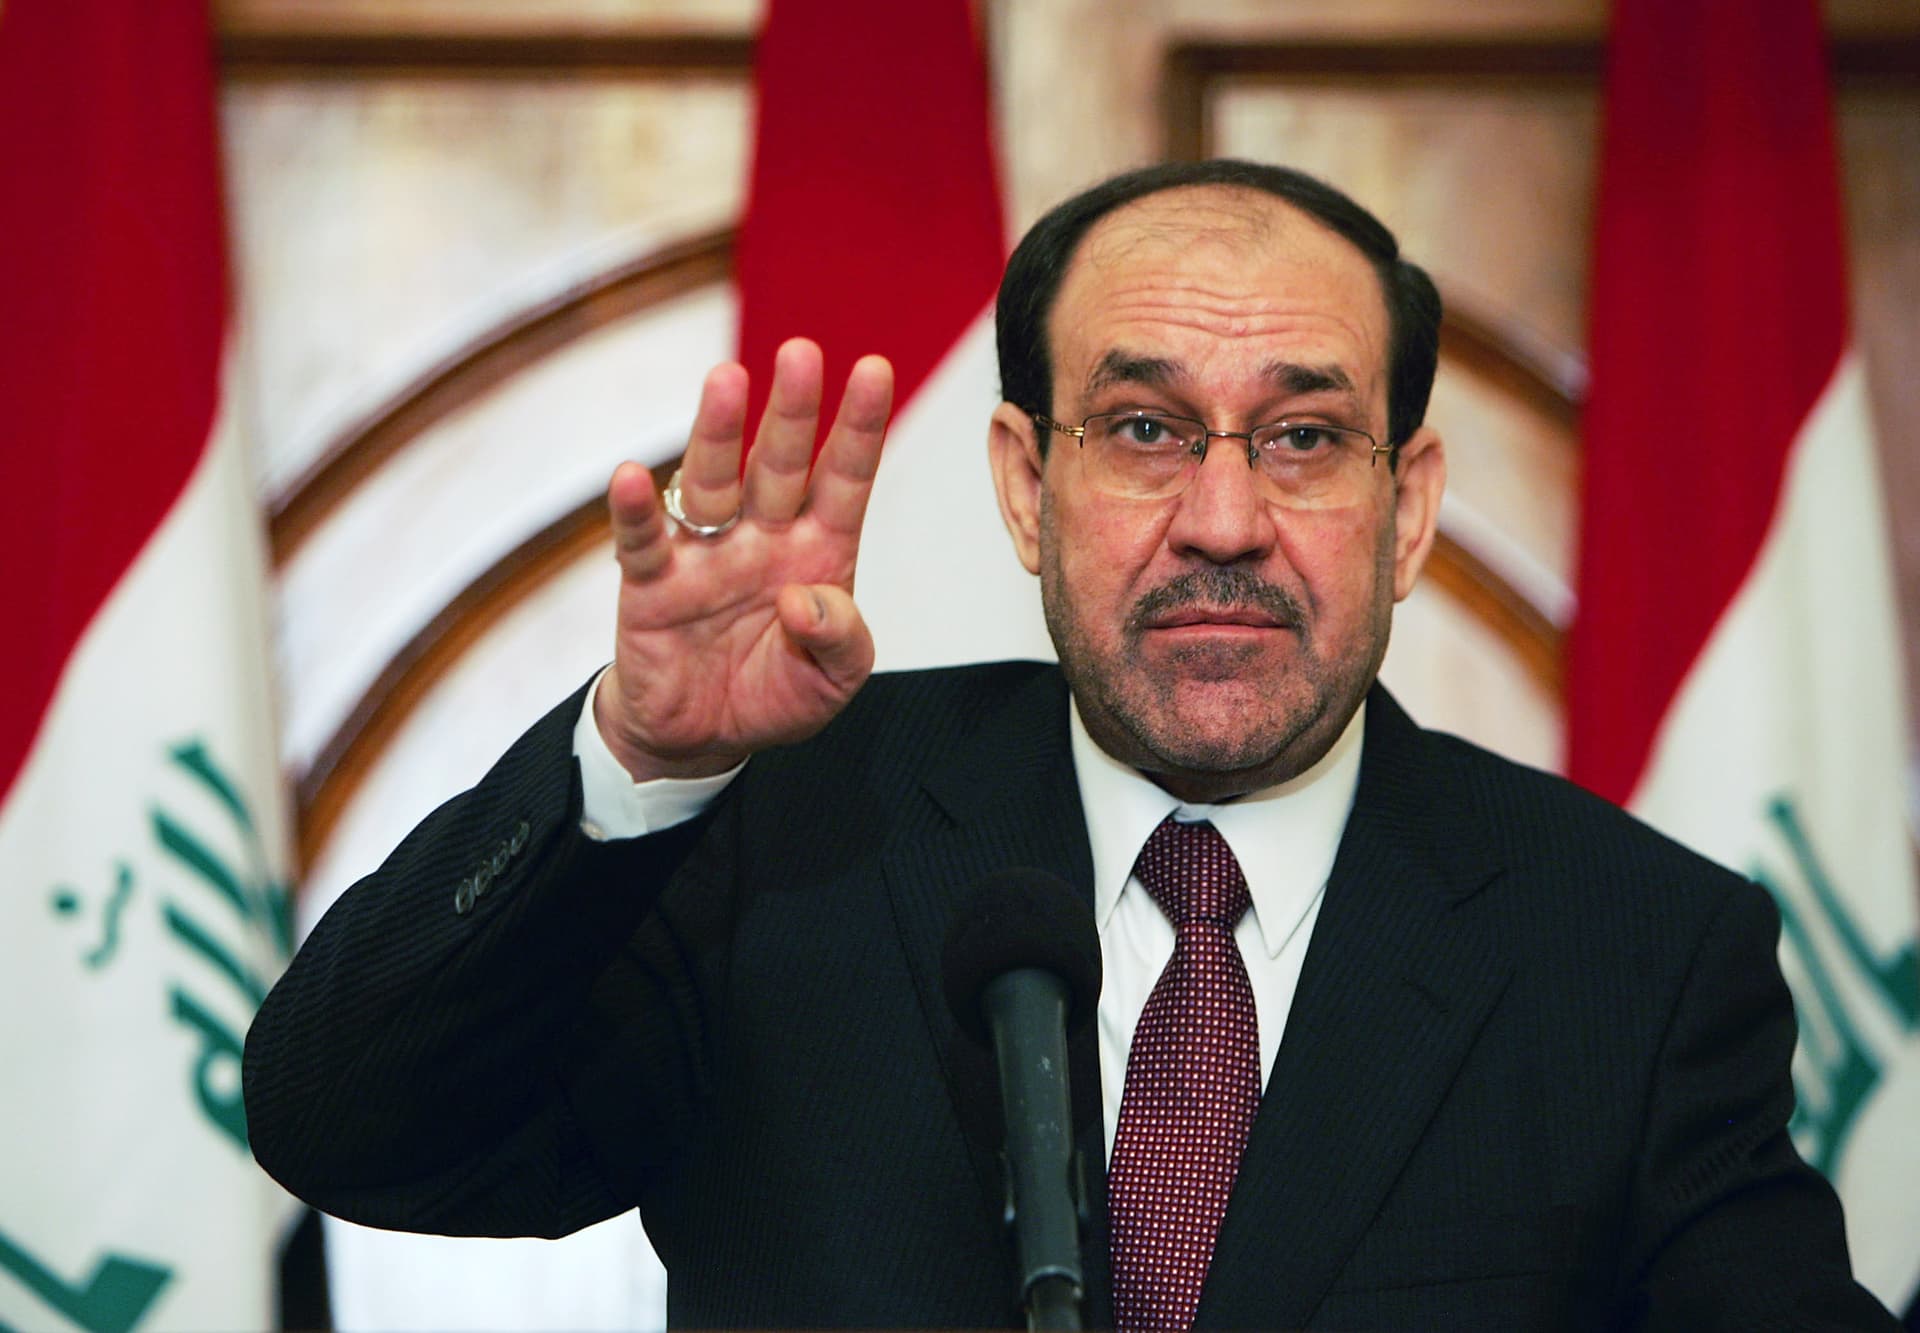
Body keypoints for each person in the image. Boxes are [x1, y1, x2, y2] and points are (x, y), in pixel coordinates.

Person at [244, 159, 1899, 1330]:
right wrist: (641, 763)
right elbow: (345, 1121)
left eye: (1307, 437)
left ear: (1407, 510)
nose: (1225, 518)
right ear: (1030, 487)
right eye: (1145, 428)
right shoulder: (786, 838)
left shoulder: (1632, 947)